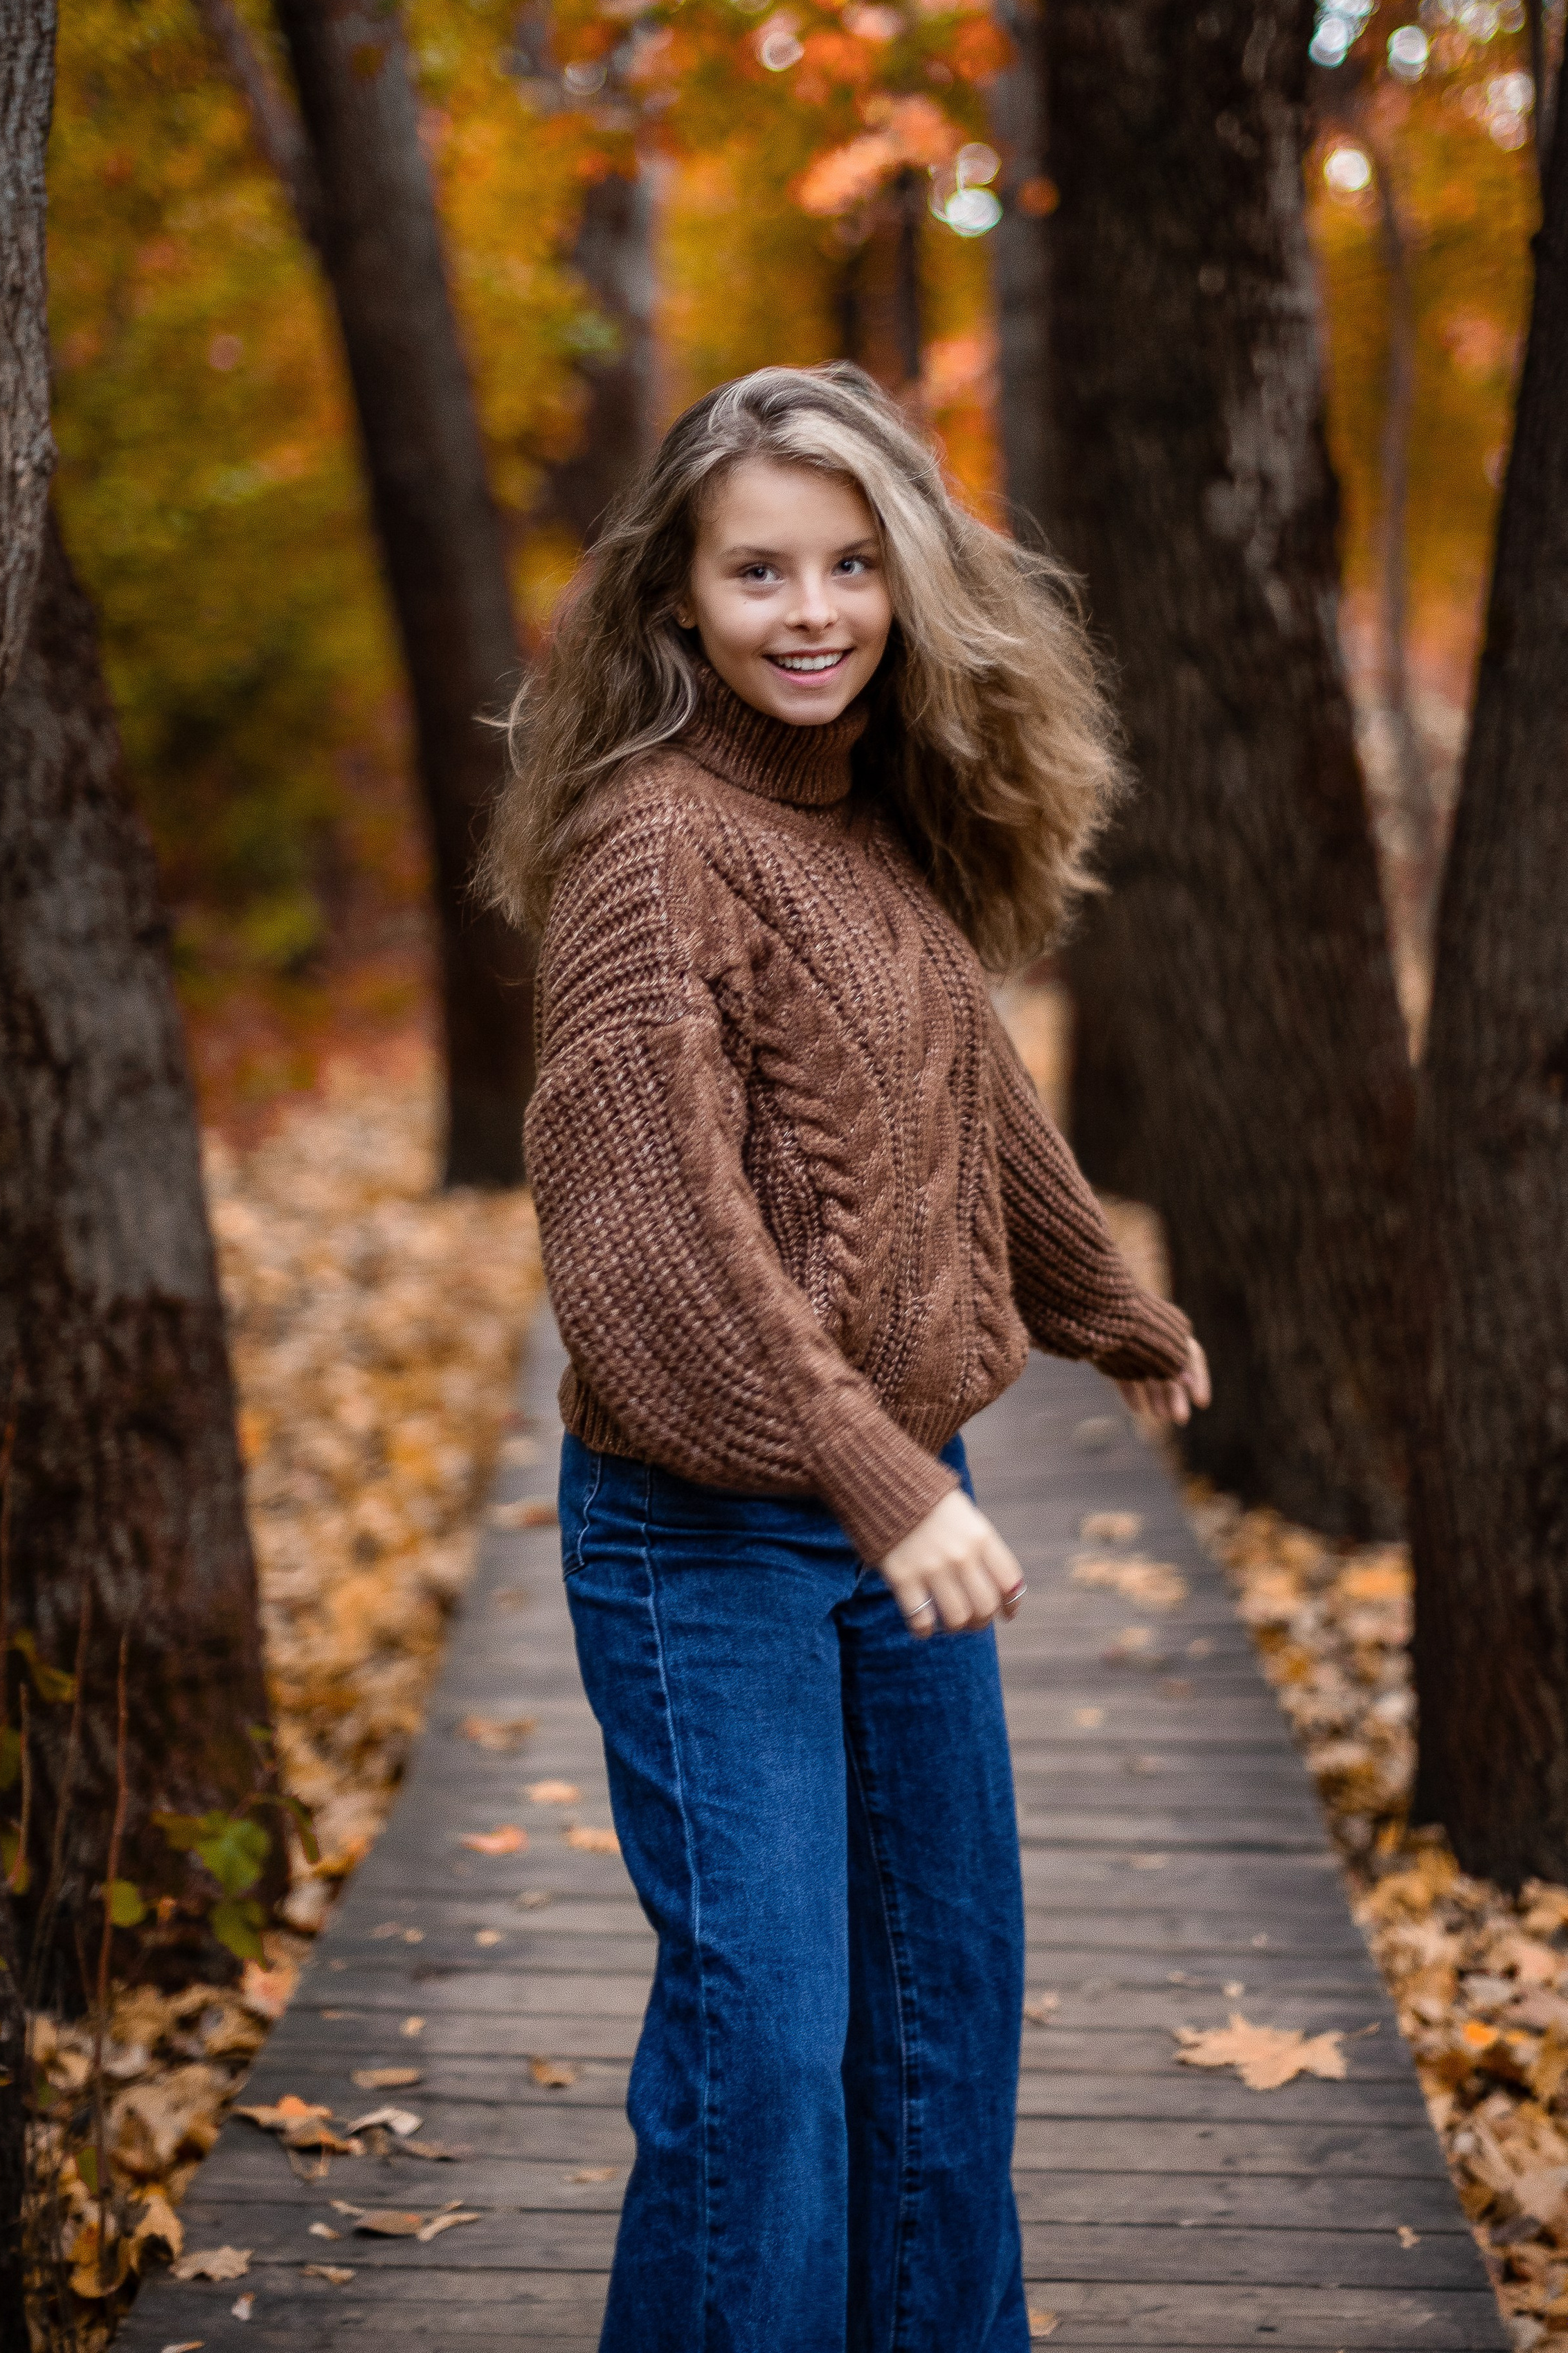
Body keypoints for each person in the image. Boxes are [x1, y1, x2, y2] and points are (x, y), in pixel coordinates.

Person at [482, 363, 1209, 2353]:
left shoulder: (868, 833)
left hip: (901, 1510)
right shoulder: (652, 848)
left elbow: (963, 1096)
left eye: (850, 563)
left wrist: (1100, 1294)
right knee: (769, 2049)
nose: (811, 610)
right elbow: (656, 1245)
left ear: (906, 584)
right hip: (700, 1534)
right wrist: (884, 1480)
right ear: (678, 602)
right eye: (759, 571)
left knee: (945, 2017)